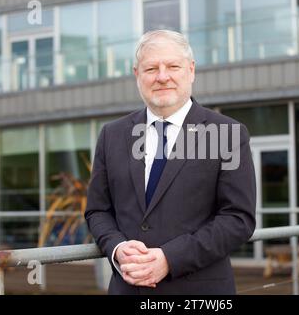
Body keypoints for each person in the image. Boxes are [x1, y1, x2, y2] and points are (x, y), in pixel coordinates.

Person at [84, 29, 256, 295]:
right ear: (137, 75)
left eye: (172, 66)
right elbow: (97, 210)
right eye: (151, 68)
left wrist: (170, 258)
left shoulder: (227, 134)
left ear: (191, 70)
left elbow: (237, 219)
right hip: (127, 289)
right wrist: (117, 247)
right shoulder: (112, 135)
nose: (162, 77)